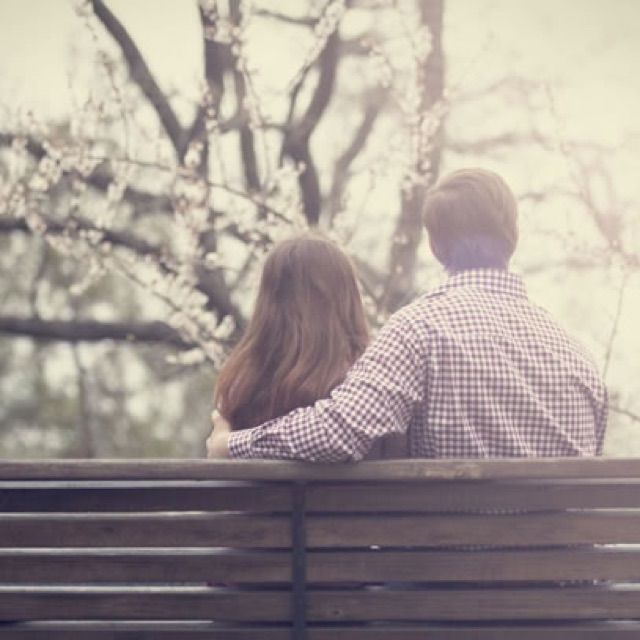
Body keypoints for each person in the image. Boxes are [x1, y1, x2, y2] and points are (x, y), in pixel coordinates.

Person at [207, 168, 608, 461]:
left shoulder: (418, 329)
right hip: (562, 557)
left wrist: (232, 444)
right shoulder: (577, 353)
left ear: (435, 246)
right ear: (513, 238)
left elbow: (339, 432)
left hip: (451, 556)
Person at [208, 232, 407, 458]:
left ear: (268, 301)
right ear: (347, 298)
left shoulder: (242, 381)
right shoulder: (369, 380)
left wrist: (227, 444)